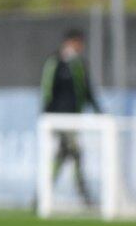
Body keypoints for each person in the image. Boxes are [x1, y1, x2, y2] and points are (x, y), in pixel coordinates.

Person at [41, 29, 101, 208]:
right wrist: (47, 116)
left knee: (64, 154)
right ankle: (84, 195)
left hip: (75, 118)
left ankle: (43, 192)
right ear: (70, 42)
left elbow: (87, 90)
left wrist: (98, 110)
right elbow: (47, 89)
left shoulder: (79, 64)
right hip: (58, 118)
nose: (81, 47)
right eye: (78, 42)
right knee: (75, 152)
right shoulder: (55, 62)